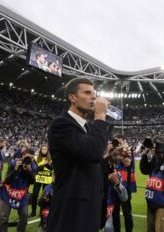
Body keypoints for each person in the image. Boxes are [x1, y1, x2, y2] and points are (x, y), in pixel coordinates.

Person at [47, 78, 113, 232]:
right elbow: (93, 152)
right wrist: (100, 117)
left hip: (90, 208)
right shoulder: (61, 124)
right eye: (88, 93)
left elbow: (94, 160)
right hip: (72, 211)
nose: (94, 97)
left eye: (95, 93)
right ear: (73, 97)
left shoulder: (88, 128)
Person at [0, 148, 37, 232]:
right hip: (7, 193)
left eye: (31, 158)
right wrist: (15, 169)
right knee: (3, 218)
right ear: (22, 156)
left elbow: (32, 181)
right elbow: (7, 180)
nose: (28, 160)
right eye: (27, 157)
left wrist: (29, 171)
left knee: (24, 217)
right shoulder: (14, 163)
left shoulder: (33, 166)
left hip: (22, 195)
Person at [112, 135, 137, 232]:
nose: (117, 144)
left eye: (119, 142)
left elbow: (127, 163)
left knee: (127, 213)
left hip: (125, 187)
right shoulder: (113, 153)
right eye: (116, 142)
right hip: (114, 186)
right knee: (115, 212)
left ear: (123, 142)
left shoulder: (128, 151)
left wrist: (120, 152)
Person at [30, 145, 53, 217]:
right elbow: (35, 170)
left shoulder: (51, 159)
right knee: (35, 195)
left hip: (47, 180)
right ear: (40, 150)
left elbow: (52, 169)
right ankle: (33, 211)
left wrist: (47, 165)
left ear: (47, 150)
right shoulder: (36, 158)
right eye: (42, 149)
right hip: (38, 179)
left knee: (45, 197)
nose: (43, 150)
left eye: (45, 149)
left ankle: (42, 212)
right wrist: (43, 165)